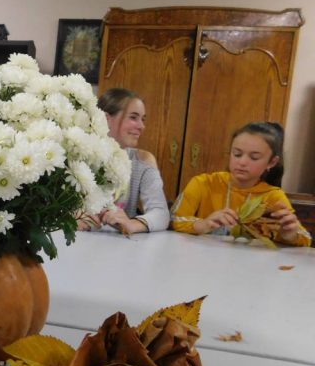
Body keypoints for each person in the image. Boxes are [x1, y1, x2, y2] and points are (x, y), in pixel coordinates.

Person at [171, 121, 311, 247]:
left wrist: (290, 235)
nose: (242, 162)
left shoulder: (273, 196)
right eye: (237, 154)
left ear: (272, 162)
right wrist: (202, 224)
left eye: (254, 157)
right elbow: (173, 220)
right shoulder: (203, 183)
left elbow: (305, 239)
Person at [78, 88, 170, 234]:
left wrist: (133, 224)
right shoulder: (78, 152)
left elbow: (161, 213)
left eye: (143, 119)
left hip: (121, 245)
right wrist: (69, 217)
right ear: (105, 119)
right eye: (133, 117)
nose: (141, 126)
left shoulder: (143, 161)